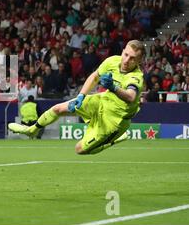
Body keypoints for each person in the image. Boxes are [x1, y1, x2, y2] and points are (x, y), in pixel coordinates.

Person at [9, 40, 145, 154]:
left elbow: (131, 97)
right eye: (126, 54)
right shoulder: (112, 61)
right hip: (101, 101)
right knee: (58, 109)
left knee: (80, 150)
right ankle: (32, 130)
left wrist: (114, 87)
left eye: (132, 58)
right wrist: (81, 96)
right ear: (122, 51)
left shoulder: (136, 77)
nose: (126, 60)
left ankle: (116, 138)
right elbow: (94, 76)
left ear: (139, 61)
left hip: (114, 121)